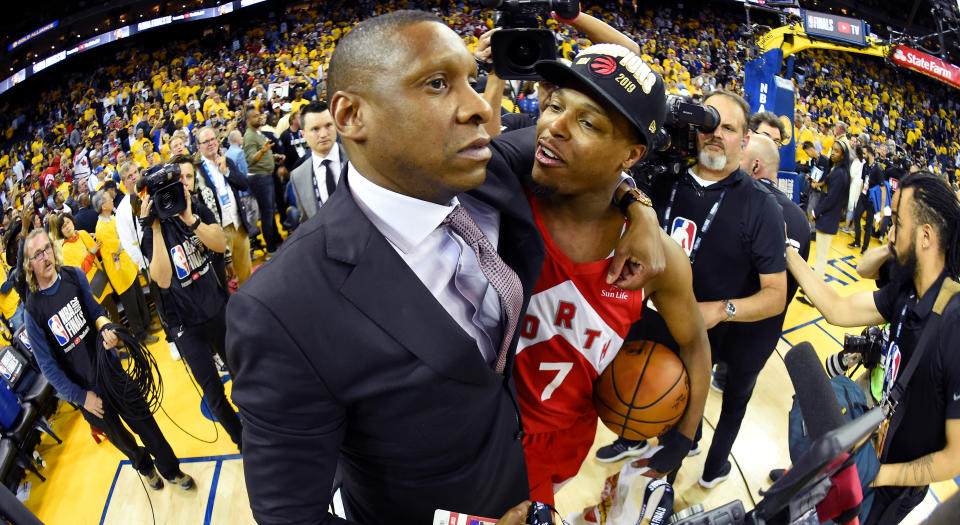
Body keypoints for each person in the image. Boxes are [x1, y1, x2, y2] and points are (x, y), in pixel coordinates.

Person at [226, 10, 662, 524]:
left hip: (522, 474)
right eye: (437, 84)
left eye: (473, 82)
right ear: (350, 117)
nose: (479, 107)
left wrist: (639, 208)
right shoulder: (281, 309)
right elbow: (290, 518)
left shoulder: (491, 169)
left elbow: (604, 152)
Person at [512, 45, 711, 506]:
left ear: (631, 154)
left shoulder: (658, 256)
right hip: (476, 425)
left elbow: (695, 342)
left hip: (564, 438)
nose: (555, 126)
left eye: (587, 122)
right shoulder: (507, 191)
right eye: (556, 105)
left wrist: (683, 435)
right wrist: (635, 202)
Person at [597, 90, 788, 491]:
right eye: (709, 124)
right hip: (640, 321)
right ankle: (631, 438)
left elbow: (775, 294)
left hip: (697, 339)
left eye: (729, 128)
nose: (716, 135)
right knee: (632, 401)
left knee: (672, 441)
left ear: (745, 139)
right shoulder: (662, 178)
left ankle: (668, 475)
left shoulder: (761, 205)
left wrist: (721, 310)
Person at [785, 172, 960, 525]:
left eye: (897, 221)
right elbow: (837, 308)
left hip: (891, 486)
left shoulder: (954, 326)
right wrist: (789, 254)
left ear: (926, 236)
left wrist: (878, 475)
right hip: (869, 446)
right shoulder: (907, 290)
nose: (889, 231)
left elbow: (956, 457)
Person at [22, 228, 195, 491]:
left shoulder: (73, 276)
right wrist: (82, 398)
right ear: (29, 264)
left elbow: (96, 312)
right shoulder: (33, 311)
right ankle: (145, 468)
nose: (46, 256)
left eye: (47, 248)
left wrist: (108, 330)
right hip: (88, 393)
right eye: (37, 253)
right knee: (123, 440)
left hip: (112, 371)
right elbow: (48, 366)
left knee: (144, 421)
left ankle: (171, 469)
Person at [139, 154, 243, 450]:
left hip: (216, 308)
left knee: (241, 373)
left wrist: (190, 218)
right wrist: (156, 228)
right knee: (213, 393)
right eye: (176, 182)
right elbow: (161, 278)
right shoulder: (151, 229)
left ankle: (259, 422)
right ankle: (242, 441)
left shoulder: (194, 208)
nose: (181, 187)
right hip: (186, 325)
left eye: (185, 179)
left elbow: (220, 244)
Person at [92, 190, 159, 345]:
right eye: (109, 199)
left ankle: (148, 325)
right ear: (103, 206)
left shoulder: (113, 218)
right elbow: (119, 245)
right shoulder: (100, 227)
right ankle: (140, 334)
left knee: (139, 298)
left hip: (128, 266)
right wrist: (124, 239)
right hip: (119, 273)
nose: (112, 200)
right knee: (131, 306)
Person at [194, 126, 253, 285]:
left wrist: (226, 171)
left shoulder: (228, 161)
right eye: (205, 141)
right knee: (225, 280)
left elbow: (244, 184)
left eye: (213, 139)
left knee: (246, 274)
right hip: (219, 231)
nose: (211, 143)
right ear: (198, 147)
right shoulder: (196, 172)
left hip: (239, 225)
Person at [47, 213, 120, 324]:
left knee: (114, 311)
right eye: (63, 226)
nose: (67, 227)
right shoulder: (66, 250)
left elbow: (98, 250)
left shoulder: (82, 233)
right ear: (60, 232)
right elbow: (79, 272)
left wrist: (99, 238)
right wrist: (92, 252)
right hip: (91, 289)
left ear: (72, 222)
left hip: (101, 279)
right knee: (104, 320)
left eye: (68, 222)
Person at [288, 101, 348, 221]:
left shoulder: (357, 159)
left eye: (328, 126)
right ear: (303, 134)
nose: (323, 134)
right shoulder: (298, 176)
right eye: (315, 129)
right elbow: (306, 221)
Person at [811, 140, 852, 280]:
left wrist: (815, 212)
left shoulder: (840, 173)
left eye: (837, 151)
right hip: (828, 217)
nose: (833, 153)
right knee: (820, 257)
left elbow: (831, 199)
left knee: (821, 258)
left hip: (828, 218)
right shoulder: (836, 169)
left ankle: (813, 296)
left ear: (843, 155)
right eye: (832, 149)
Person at [242, 108, 281, 254]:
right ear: (247, 121)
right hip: (259, 178)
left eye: (259, 115)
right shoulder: (249, 136)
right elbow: (251, 159)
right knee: (267, 213)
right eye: (254, 116)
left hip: (266, 175)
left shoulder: (258, 133)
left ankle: (276, 240)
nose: (259, 118)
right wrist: (264, 151)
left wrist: (273, 156)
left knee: (270, 212)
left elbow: (262, 153)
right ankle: (271, 248)